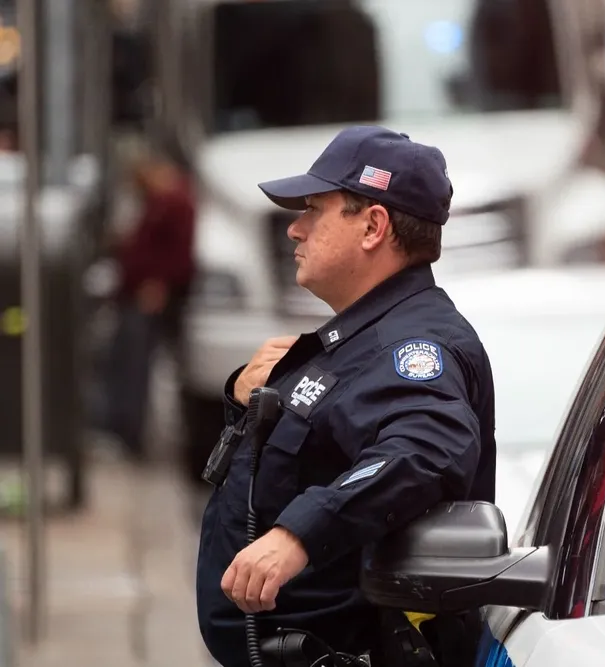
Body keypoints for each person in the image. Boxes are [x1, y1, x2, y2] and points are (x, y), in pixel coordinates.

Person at [195, 125, 497, 667]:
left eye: (314, 209)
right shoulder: (358, 341)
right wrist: (249, 398)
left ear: (373, 226)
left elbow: (427, 446)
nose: (295, 229)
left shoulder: (412, 346)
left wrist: (299, 534)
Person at [99, 147, 196, 461]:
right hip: (135, 290)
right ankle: (121, 429)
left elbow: (178, 253)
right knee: (125, 360)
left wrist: (160, 285)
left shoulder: (175, 202)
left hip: (148, 294)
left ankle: (130, 435)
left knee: (136, 365)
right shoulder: (159, 200)